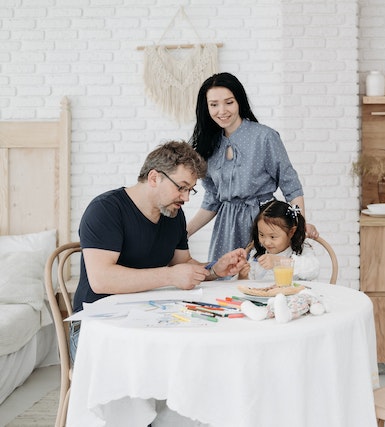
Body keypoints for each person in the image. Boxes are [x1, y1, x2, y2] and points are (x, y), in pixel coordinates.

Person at [71, 141, 247, 360]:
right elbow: (101, 279)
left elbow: (183, 264)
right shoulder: (106, 210)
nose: (186, 198)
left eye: (190, 189)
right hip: (97, 329)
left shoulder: (173, 214)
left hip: (147, 318)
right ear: (154, 178)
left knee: (200, 353)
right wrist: (170, 275)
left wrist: (215, 269)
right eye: (181, 187)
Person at [187, 72, 318, 266]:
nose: (221, 110)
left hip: (264, 223)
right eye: (214, 104)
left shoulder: (265, 137)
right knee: (225, 280)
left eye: (229, 102)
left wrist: (299, 224)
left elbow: (291, 185)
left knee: (262, 279)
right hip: (226, 227)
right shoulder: (207, 145)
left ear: (239, 102)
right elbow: (212, 199)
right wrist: (184, 233)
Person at [238, 200, 319, 282]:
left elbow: (314, 270)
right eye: (262, 235)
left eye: (273, 237)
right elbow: (251, 282)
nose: (266, 242)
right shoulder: (258, 253)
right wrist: (243, 276)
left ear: (291, 232)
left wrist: (279, 261)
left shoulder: (300, 250)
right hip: (263, 294)